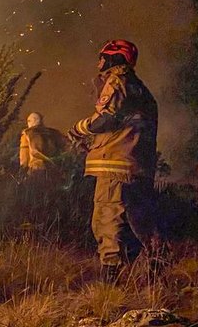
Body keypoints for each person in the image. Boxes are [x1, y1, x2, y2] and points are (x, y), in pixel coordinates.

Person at [67, 39, 159, 282]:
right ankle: (155, 272)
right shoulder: (141, 89)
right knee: (137, 223)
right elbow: (126, 126)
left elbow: (106, 119)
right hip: (137, 167)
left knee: (106, 221)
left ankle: (111, 284)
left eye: (104, 56)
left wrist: (80, 128)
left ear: (115, 58)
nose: (100, 61)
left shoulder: (117, 81)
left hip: (114, 167)